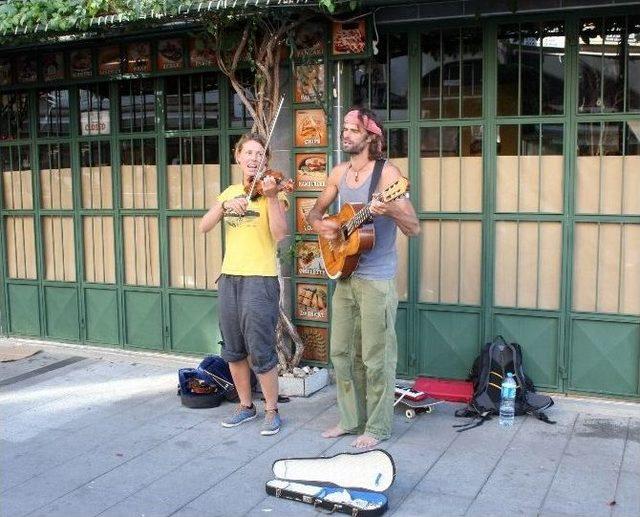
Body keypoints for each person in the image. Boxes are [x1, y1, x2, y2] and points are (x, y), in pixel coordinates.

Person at [307, 107, 420, 448]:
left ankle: (378, 426)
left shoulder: (388, 176)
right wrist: (322, 225)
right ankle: (350, 419)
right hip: (344, 274)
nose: (345, 135)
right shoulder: (339, 172)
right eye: (344, 129)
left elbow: (413, 227)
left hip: (376, 280)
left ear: (371, 136)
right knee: (341, 352)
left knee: (376, 355)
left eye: (353, 130)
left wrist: (393, 208)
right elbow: (315, 211)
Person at [199, 132, 289, 436]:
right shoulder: (230, 192)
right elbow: (203, 226)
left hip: (259, 278)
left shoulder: (273, 191)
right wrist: (225, 206)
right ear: (238, 156)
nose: (253, 158)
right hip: (229, 278)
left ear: (267, 160)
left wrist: (273, 196)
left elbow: (280, 234)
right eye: (248, 152)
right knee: (234, 348)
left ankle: (272, 411)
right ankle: (245, 407)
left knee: (261, 347)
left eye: (259, 153)